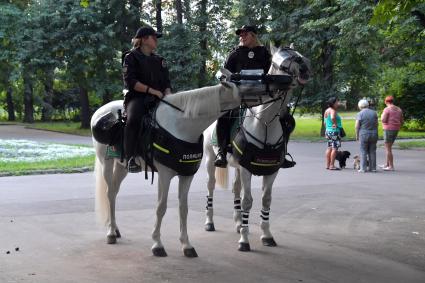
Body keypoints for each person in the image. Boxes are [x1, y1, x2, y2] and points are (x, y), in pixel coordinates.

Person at [214, 25, 272, 167]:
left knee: (284, 116)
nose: (241, 37)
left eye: (244, 35)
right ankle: (221, 152)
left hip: (261, 96)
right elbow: (224, 72)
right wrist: (224, 78)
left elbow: (271, 73)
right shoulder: (235, 52)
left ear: (253, 35)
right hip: (238, 95)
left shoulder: (265, 53)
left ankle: (282, 151)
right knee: (224, 116)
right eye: (240, 35)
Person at [122, 26, 172, 173]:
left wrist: (168, 94)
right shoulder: (130, 57)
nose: (156, 40)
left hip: (159, 98)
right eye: (154, 37)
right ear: (144, 39)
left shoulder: (159, 60)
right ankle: (130, 158)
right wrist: (153, 91)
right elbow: (130, 82)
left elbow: (166, 82)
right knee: (133, 120)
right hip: (138, 98)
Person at [380, 96, 403, 171]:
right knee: (389, 147)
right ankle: (387, 164)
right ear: (393, 101)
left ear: (386, 102)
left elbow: (383, 120)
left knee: (388, 149)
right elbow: (402, 121)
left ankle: (391, 166)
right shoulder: (399, 109)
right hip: (396, 129)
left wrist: (381, 116)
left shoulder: (387, 109)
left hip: (388, 130)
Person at [355, 99, 378, 173]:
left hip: (364, 134)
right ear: (367, 105)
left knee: (363, 151)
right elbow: (377, 124)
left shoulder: (360, 114)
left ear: (360, 106)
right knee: (372, 151)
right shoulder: (374, 113)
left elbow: (357, 126)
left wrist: (357, 135)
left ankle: (363, 168)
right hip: (374, 133)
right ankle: (373, 168)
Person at [324, 97, 342, 170]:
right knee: (335, 148)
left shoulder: (326, 111)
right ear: (333, 103)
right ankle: (332, 165)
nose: (338, 103)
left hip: (328, 131)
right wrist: (335, 124)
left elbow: (325, 122)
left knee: (329, 148)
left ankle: (327, 165)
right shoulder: (333, 111)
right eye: (337, 102)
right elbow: (332, 118)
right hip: (334, 131)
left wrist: (326, 130)